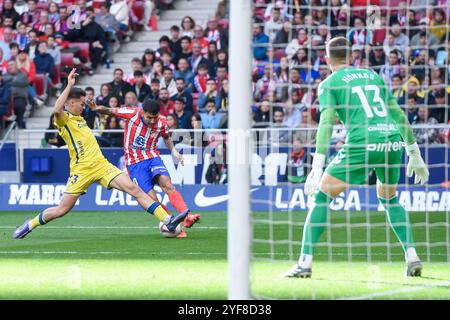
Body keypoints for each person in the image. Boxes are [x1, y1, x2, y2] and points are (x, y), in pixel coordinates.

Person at [284, 37, 429, 279]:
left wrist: (317, 164)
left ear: (327, 59)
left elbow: (327, 121)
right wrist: (414, 151)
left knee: (321, 197)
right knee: (390, 198)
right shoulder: (373, 76)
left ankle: (304, 263)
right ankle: (412, 255)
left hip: (363, 142)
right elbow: (397, 112)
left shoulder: (329, 83)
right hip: (392, 140)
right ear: (351, 57)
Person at [13, 69, 188, 240]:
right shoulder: (64, 120)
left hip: (102, 165)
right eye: (81, 103)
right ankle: (30, 224)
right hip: (81, 170)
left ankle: (168, 220)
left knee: (135, 189)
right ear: (70, 103)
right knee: (62, 210)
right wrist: (68, 86)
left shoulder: (80, 119)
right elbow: (57, 109)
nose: (84, 106)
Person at [88, 98, 201, 238]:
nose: (152, 121)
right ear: (142, 112)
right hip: (135, 164)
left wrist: (173, 151)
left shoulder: (162, 121)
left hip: (152, 157)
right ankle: (173, 224)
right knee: (151, 199)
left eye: (155, 117)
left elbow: (166, 137)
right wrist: (95, 108)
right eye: (149, 117)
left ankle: (187, 216)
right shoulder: (132, 113)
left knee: (168, 185)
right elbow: (110, 111)